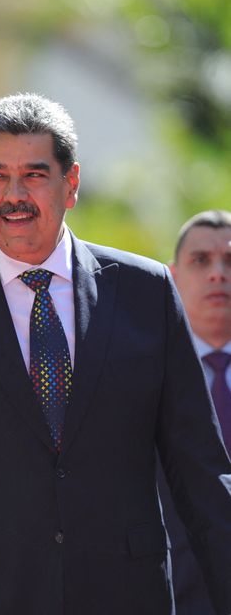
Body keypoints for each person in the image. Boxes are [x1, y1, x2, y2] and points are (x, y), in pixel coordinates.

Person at [0, 93, 231, 615]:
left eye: (33, 175)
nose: (12, 195)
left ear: (70, 184)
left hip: (123, 593)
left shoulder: (145, 292)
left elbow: (201, 475)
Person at [159, 210, 231, 614]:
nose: (218, 274)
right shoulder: (143, 375)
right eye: (200, 261)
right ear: (172, 276)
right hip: (172, 593)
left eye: (230, 261)